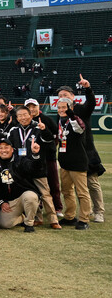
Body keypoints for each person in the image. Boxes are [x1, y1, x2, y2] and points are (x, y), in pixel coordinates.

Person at [56, 77, 105, 223]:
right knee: (73, 186)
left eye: (65, 95)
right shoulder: (60, 114)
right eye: (60, 96)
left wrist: (88, 89)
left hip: (87, 152)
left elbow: (91, 104)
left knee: (92, 183)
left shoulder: (79, 109)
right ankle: (83, 211)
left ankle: (98, 211)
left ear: (72, 96)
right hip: (70, 154)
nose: (62, 98)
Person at [0, 138, 45, 232]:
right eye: (0, 148)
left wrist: (35, 155)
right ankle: (22, 217)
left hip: (24, 195)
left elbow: (35, 169)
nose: (3, 150)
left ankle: (29, 223)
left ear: (12, 149)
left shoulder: (21, 160)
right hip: (10, 201)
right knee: (4, 224)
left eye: (6, 147)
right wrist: (1, 202)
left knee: (31, 197)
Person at [54, 97, 91, 230]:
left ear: (71, 108)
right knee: (67, 191)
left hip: (77, 162)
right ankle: (70, 216)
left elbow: (79, 128)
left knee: (81, 192)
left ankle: (84, 219)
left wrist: (71, 115)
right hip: (64, 163)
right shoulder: (60, 121)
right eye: (59, 108)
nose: (61, 110)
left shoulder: (75, 119)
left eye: (64, 107)